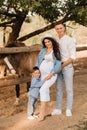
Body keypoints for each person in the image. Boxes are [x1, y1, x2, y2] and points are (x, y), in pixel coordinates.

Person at [51, 23, 76, 117]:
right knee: (58, 88)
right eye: (57, 29)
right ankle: (58, 109)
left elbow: (73, 57)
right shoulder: (55, 40)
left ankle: (68, 109)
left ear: (64, 28)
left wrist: (62, 66)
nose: (59, 30)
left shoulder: (70, 40)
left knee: (69, 89)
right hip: (58, 67)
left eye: (61, 28)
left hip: (67, 67)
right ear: (55, 30)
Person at [35, 34, 61, 121]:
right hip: (42, 74)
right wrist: (36, 70)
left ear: (52, 41)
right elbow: (38, 61)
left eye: (48, 41)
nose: (47, 43)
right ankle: (49, 111)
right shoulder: (43, 50)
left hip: (51, 74)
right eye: (45, 42)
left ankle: (42, 113)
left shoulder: (56, 51)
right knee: (44, 90)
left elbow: (58, 64)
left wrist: (51, 74)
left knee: (42, 90)